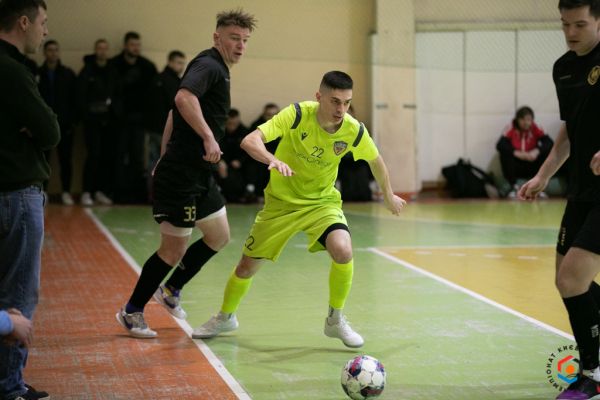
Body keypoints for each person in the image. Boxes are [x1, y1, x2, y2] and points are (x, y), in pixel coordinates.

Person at [192, 71, 406, 348]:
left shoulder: (353, 130)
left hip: (322, 203)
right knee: (246, 268)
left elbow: (376, 161)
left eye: (347, 103)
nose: (341, 109)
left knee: (343, 250)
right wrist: (271, 158)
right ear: (319, 98)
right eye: (335, 101)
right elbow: (249, 141)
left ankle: (335, 320)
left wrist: (388, 196)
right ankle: (225, 317)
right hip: (280, 205)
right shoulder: (296, 115)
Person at [116, 9, 257, 338]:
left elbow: (174, 112)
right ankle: (131, 311)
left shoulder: (218, 69)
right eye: (234, 38)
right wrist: (208, 137)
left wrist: (164, 152)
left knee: (218, 236)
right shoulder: (210, 64)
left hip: (199, 174)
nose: (240, 45)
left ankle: (170, 290)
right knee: (173, 250)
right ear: (217, 38)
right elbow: (182, 98)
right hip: (181, 175)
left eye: (245, 40)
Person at [519, 1, 600, 399]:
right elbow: (570, 129)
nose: (571, 32)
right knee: (566, 281)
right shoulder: (564, 68)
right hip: (581, 189)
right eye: (565, 24)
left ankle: (593, 374)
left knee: (571, 279)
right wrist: (543, 174)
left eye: (580, 24)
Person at [0, 1, 60, 399]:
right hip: (17, 193)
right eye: (43, 22)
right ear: (23, 22)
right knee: (17, 295)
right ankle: (10, 387)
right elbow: (51, 131)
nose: (45, 31)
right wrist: (36, 125)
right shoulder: (13, 71)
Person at [111, 31, 157, 203]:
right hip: (119, 120)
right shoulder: (114, 65)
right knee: (118, 155)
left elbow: (153, 96)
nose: (136, 48)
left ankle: (135, 193)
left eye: (138, 45)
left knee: (137, 156)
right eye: (132, 45)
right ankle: (118, 193)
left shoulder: (147, 67)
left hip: (139, 120)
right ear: (125, 46)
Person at [78, 39, 122, 206]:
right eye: (100, 48)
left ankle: (100, 191)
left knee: (107, 156)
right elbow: (80, 95)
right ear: (95, 50)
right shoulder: (87, 70)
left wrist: (115, 112)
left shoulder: (113, 71)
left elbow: (118, 94)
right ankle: (86, 191)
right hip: (93, 122)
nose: (103, 51)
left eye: (105, 49)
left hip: (109, 121)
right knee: (93, 155)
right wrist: (86, 116)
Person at [37, 39, 78, 206]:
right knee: (43, 161)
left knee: (65, 160)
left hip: (65, 125)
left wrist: (73, 121)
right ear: (44, 52)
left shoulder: (67, 74)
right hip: (44, 126)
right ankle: (44, 192)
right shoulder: (38, 74)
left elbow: (75, 98)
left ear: (59, 52)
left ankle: (66, 192)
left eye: (55, 50)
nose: (53, 53)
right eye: (50, 50)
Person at [144, 50, 186, 198]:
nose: (181, 66)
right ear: (170, 62)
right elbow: (175, 105)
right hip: (165, 129)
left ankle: (153, 193)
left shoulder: (157, 79)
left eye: (183, 63)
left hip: (154, 128)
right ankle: (162, 193)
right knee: (166, 161)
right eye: (179, 63)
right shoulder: (172, 82)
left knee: (154, 160)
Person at [496, 106, 554, 198]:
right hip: (516, 165)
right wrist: (517, 153)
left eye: (529, 120)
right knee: (505, 155)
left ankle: (539, 187)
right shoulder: (510, 128)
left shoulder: (536, 128)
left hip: (532, 164)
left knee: (545, 153)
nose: (526, 122)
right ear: (518, 119)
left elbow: (550, 143)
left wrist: (536, 151)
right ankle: (513, 187)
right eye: (523, 119)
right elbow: (500, 145)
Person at [245, 103, 280, 201]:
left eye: (274, 115)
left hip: (276, 155)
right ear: (264, 115)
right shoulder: (256, 126)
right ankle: (253, 192)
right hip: (259, 155)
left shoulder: (282, 125)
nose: (271, 118)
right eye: (268, 115)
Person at [217, 109, 249, 202]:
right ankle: (218, 192)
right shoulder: (219, 131)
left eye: (234, 124)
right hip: (223, 160)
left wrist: (240, 161)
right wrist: (220, 161)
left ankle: (248, 191)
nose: (231, 127)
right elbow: (216, 147)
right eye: (229, 124)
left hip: (239, 161)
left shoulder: (244, 131)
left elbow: (249, 151)